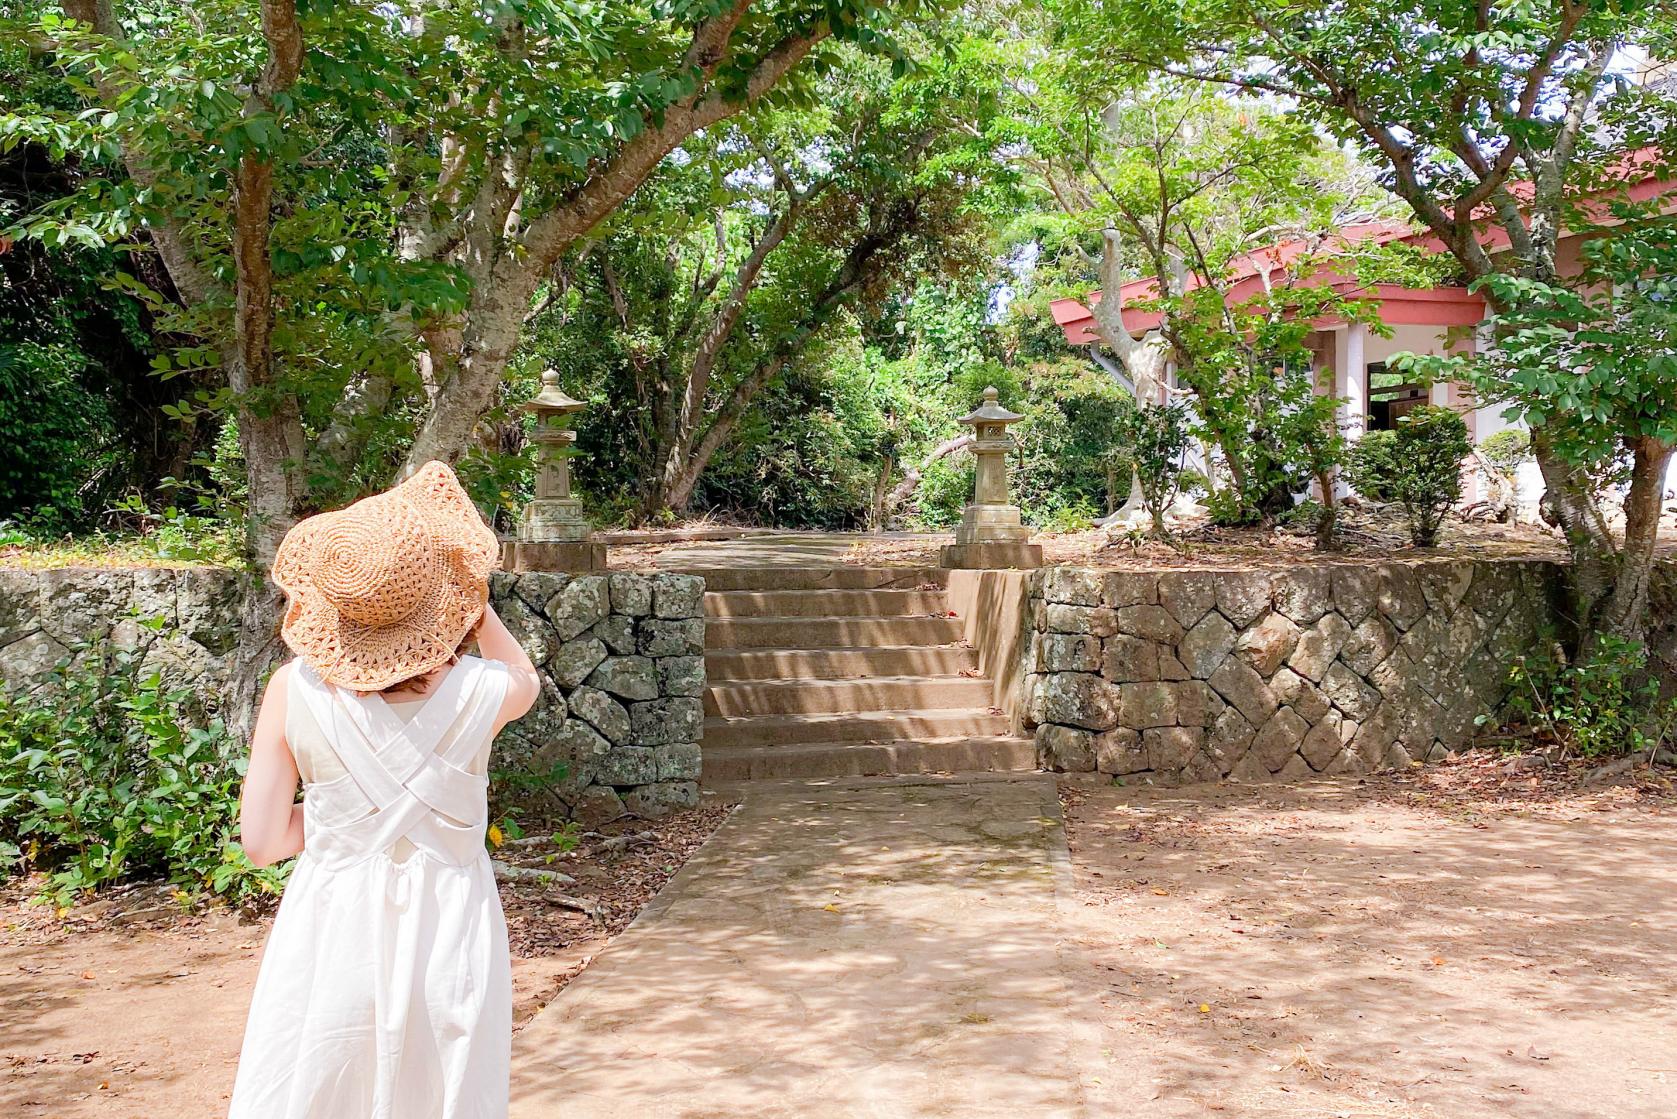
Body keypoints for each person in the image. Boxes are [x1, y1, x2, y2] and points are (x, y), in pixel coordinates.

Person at [227, 461, 541, 1119]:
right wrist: (476, 608)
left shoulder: (293, 691)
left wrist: (347, 816)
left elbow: (261, 842)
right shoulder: (483, 692)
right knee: (445, 1092)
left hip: (331, 925)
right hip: (450, 928)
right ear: (441, 598)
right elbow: (525, 674)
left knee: (318, 1087)